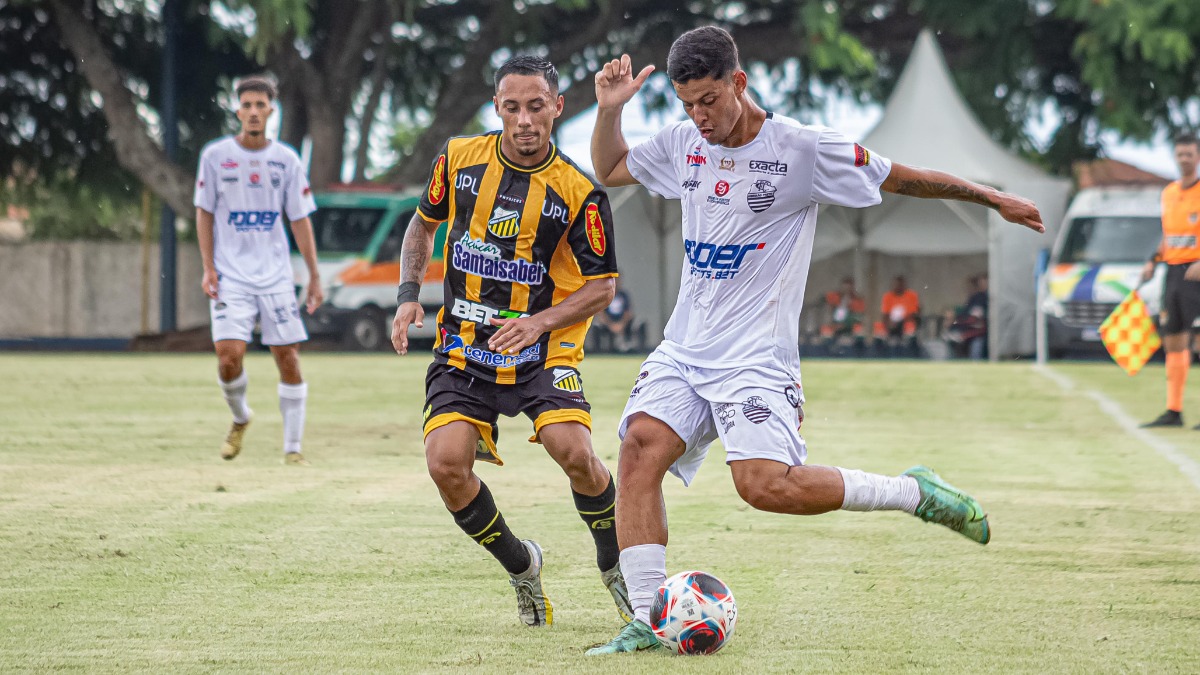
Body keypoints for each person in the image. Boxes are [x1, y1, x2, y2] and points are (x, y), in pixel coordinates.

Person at [585, 26, 1044, 653]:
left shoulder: (802, 150)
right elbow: (609, 168)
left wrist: (991, 198)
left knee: (765, 487)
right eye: (687, 104)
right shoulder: (683, 143)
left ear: (739, 84)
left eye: (710, 100)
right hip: (684, 349)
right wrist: (610, 112)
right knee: (638, 452)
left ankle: (913, 494)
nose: (699, 117)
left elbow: (900, 177)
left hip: (754, 359)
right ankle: (645, 617)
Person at [389, 55, 631, 627]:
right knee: (446, 465)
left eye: (536, 106)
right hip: (462, 347)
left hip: (542, 350)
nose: (524, 120)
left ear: (557, 107)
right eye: (512, 107)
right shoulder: (458, 158)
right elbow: (423, 223)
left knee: (574, 452)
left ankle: (613, 562)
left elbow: (602, 286)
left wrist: (540, 322)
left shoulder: (579, 192)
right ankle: (523, 567)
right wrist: (407, 295)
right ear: (497, 107)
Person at [195, 76, 322, 466]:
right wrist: (208, 267)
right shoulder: (216, 156)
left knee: (287, 357)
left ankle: (293, 448)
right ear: (238, 111)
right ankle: (240, 417)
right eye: (246, 105)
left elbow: (299, 219)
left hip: (276, 277)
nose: (253, 112)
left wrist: (314, 275)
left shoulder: (286, 160)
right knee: (228, 356)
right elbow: (204, 212)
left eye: (260, 105)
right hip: (231, 276)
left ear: (270, 111)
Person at [1141, 133, 1200, 429]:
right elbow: (1169, 235)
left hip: (1197, 274)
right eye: (1180, 154)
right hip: (1174, 273)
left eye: (1189, 154)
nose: (1184, 159)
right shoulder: (1168, 192)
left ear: (1198, 157)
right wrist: (1153, 260)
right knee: (1173, 340)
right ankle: (1174, 411)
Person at [945, 274, 988, 360]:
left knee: (976, 350)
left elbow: (974, 319)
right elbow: (965, 314)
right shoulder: (973, 298)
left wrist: (956, 321)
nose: (968, 289)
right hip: (967, 332)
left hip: (979, 333)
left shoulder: (983, 298)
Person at [819, 276, 866, 355]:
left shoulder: (857, 300)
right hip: (834, 324)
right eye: (845, 287)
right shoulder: (835, 296)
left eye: (849, 288)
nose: (846, 290)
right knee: (826, 332)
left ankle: (857, 355)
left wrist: (846, 322)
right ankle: (828, 354)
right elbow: (822, 300)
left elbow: (859, 317)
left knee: (859, 331)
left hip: (850, 326)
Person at [877, 275, 921, 356]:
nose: (898, 287)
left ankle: (910, 354)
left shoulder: (911, 295)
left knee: (909, 327)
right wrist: (889, 325)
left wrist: (900, 321)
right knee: (879, 327)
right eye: (895, 285)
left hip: (906, 322)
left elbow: (914, 314)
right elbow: (885, 314)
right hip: (891, 324)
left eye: (900, 285)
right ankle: (881, 355)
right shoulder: (888, 297)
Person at [593, 280, 638, 352]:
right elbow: (601, 312)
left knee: (631, 321)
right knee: (596, 326)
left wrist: (621, 324)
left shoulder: (624, 295)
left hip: (622, 323)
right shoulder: (605, 295)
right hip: (607, 323)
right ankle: (598, 351)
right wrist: (610, 325)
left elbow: (628, 312)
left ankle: (627, 348)